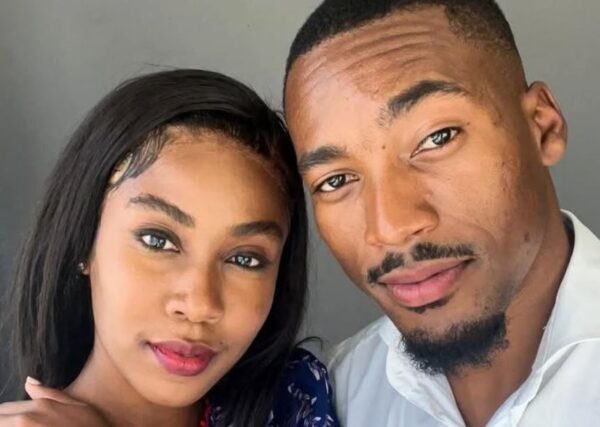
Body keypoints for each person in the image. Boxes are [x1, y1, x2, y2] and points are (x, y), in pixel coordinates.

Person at [283, 0, 600, 426]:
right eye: (335, 180)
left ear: (542, 127)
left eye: (438, 137)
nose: (390, 227)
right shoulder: (328, 400)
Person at [0, 69, 339, 427]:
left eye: (244, 259)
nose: (199, 306)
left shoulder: (298, 405)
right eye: (157, 241)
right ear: (84, 240)